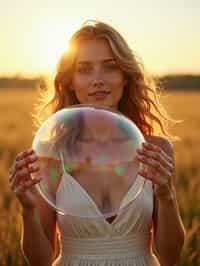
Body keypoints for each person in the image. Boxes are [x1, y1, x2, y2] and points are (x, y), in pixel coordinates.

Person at [9, 20, 186, 266]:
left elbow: (171, 257)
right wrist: (27, 210)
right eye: (84, 69)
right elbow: (40, 260)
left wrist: (167, 196)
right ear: (70, 80)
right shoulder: (51, 154)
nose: (98, 79)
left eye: (110, 67)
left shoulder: (155, 149)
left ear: (125, 76)